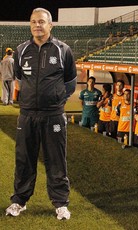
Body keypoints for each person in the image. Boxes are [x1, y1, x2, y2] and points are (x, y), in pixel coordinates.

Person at [5, 8, 77, 220]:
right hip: (27, 115)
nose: (38, 25)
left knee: (56, 159)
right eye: (34, 22)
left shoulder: (63, 50)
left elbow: (71, 82)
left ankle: (61, 203)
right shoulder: (21, 50)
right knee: (24, 158)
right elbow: (19, 78)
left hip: (53, 116)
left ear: (50, 25)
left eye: (42, 22)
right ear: (30, 25)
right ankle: (19, 200)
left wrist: (55, 101)